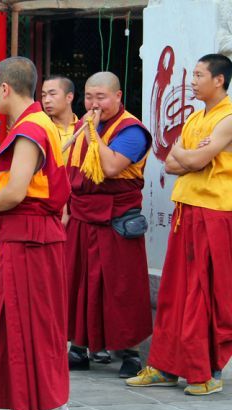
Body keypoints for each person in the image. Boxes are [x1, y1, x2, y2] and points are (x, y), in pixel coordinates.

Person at [0, 57, 72, 410]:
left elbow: (14, 192)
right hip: (40, 235)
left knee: (21, 325)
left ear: (4, 88)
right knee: (44, 324)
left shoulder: (30, 129)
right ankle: (52, 404)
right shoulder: (43, 123)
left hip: (27, 238)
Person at [127, 54, 232, 395]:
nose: (192, 81)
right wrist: (192, 157)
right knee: (175, 291)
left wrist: (192, 156)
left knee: (203, 292)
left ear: (219, 80)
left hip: (215, 212)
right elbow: (171, 161)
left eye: (199, 75)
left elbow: (195, 158)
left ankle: (205, 371)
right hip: (186, 208)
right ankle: (165, 366)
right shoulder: (194, 119)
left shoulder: (228, 117)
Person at [65, 72, 153, 378]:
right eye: (88, 97)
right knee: (79, 283)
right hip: (81, 216)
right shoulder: (81, 127)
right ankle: (79, 348)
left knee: (121, 287)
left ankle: (129, 352)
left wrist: (92, 134)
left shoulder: (132, 130)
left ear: (118, 97)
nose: (93, 104)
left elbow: (111, 166)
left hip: (117, 220)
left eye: (101, 97)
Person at [41, 75, 78, 162]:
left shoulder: (84, 128)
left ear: (69, 97)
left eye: (52, 94)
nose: (46, 100)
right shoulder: (42, 129)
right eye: (43, 95)